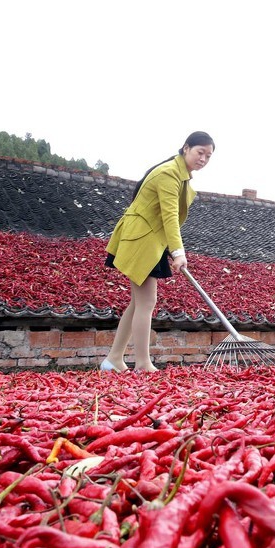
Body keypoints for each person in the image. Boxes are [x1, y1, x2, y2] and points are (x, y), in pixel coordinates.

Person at [101, 131, 215, 372]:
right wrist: (178, 251)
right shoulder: (169, 174)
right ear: (186, 148)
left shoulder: (180, 175)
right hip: (142, 239)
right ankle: (142, 363)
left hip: (151, 240)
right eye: (200, 152)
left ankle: (114, 359)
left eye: (208, 155)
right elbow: (169, 216)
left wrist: (172, 250)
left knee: (138, 303)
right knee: (147, 302)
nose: (203, 159)